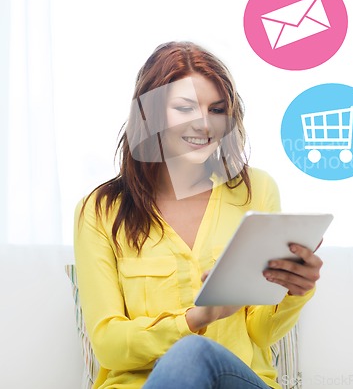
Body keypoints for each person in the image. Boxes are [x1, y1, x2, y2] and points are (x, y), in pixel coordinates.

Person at [74, 41, 323, 389]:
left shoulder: (255, 191)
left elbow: (261, 332)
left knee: (194, 353)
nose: (204, 125)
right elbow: (109, 347)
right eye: (185, 107)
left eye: (217, 110)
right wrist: (195, 320)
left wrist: (295, 291)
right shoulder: (100, 211)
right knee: (189, 351)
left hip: (236, 380)